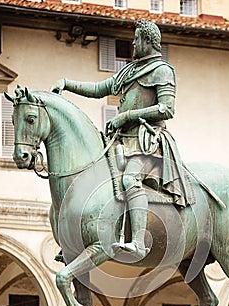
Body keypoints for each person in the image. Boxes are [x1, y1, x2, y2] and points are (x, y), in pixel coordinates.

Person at [51, 19, 193, 259]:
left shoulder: (163, 70)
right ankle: (80, 236)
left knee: (129, 180)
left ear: (147, 41)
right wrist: (67, 84)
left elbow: (166, 109)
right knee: (95, 179)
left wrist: (127, 115)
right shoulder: (130, 71)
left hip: (150, 143)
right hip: (122, 142)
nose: (133, 43)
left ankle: (138, 241)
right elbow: (99, 89)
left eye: (136, 39)